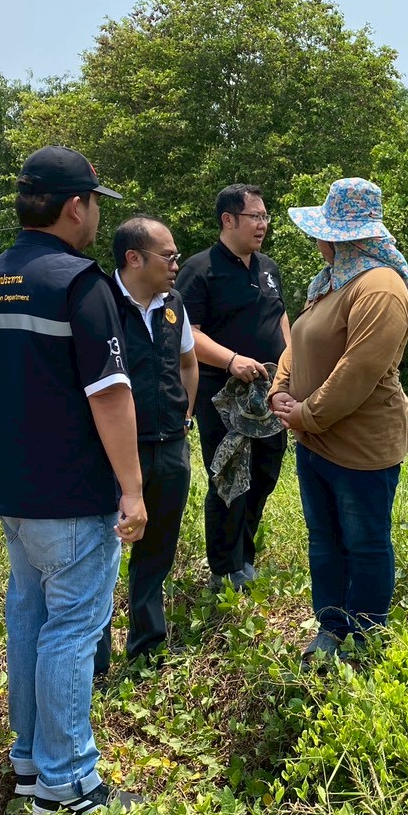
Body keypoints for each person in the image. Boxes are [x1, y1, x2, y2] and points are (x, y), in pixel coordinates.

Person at [0, 145, 146, 815]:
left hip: (14, 492)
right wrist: (131, 487)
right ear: (76, 205)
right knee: (71, 630)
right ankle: (69, 785)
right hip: (71, 497)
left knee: (29, 620)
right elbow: (108, 393)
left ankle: (30, 762)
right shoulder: (80, 284)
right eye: (96, 203)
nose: (96, 216)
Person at [268, 178, 408, 661]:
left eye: (322, 231)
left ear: (343, 235)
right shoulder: (330, 282)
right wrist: (279, 391)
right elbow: (298, 343)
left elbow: (360, 370)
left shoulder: (381, 288)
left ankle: (366, 639)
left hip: (359, 446)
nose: (316, 239)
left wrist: (306, 414)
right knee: (325, 541)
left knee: (365, 543)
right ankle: (331, 628)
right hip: (314, 443)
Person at [174, 184, 291, 592]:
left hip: (268, 393)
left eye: (265, 217)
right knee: (228, 476)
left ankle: (244, 556)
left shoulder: (268, 268)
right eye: (254, 217)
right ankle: (224, 569)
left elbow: (280, 321)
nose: (262, 225)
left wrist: (290, 369)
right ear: (228, 220)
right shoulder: (199, 269)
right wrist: (230, 360)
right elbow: (188, 333)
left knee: (264, 470)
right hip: (221, 395)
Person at [97, 215, 197, 673]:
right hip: (116, 451)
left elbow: (188, 363)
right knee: (100, 552)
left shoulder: (173, 303)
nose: (176, 264)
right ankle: (94, 656)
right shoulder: (99, 304)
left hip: (170, 445)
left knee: (157, 547)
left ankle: (147, 645)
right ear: (134, 259)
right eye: (169, 256)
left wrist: (185, 414)